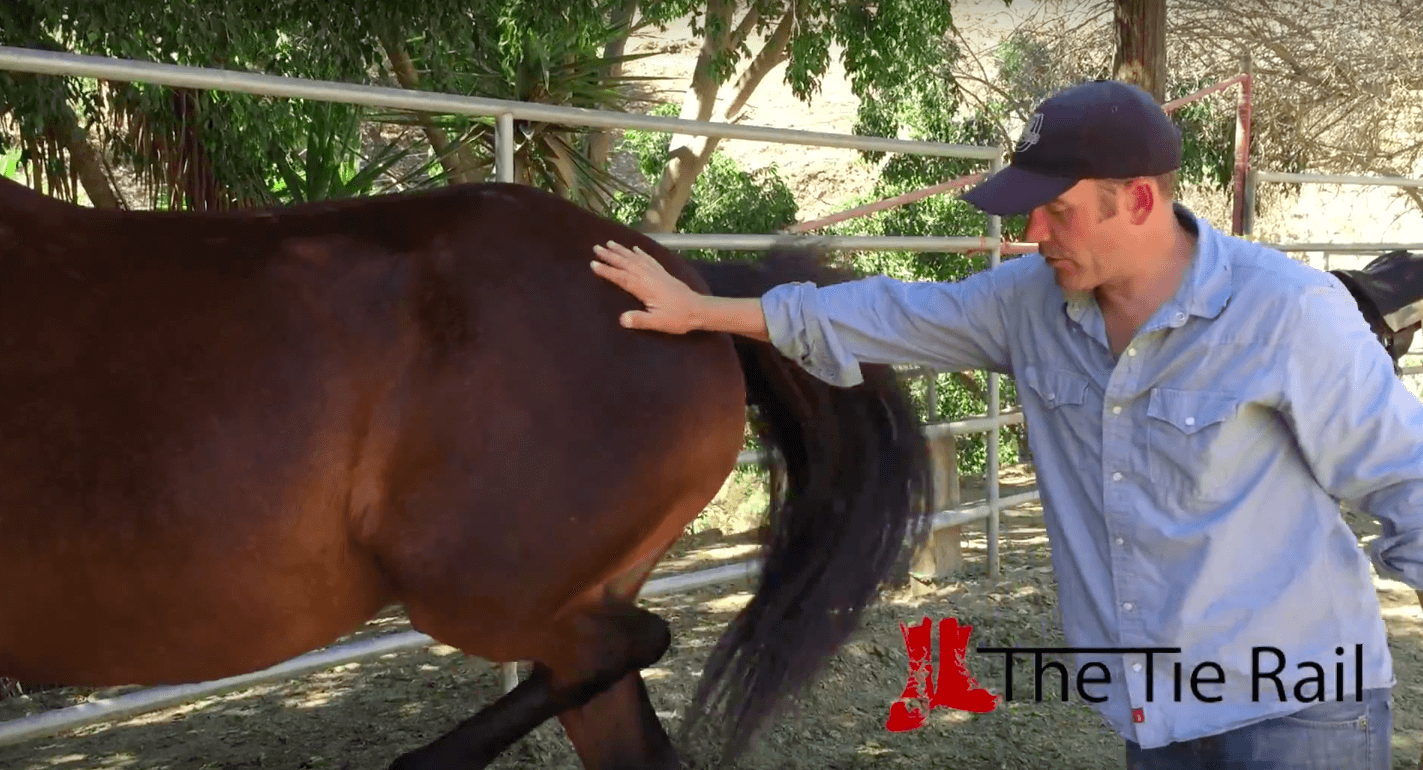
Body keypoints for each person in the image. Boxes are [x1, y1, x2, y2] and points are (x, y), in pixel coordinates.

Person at [589, 79, 1423, 769]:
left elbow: (1406, 478)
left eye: (1055, 211)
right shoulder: (1030, 306)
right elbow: (887, 312)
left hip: (1302, 710)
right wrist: (706, 310)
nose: (1031, 236)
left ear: (1136, 200)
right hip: (1156, 715)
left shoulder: (1286, 313)